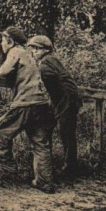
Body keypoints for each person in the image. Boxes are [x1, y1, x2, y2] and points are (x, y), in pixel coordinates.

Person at [0, 26, 56, 193]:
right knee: (40, 144)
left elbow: (3, 72)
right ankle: (45, 182)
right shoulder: (30, 55)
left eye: (3, 40)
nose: (1, 44)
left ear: (10, 41)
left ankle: (8, 170)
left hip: (26, 102)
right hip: (41, 104)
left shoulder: (16, 52)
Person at [27, 35, 82, 176]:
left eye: (37, 49)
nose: (33, 52)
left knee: (66, 133)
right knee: (64, 132)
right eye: (32, 49)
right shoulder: (51, 60)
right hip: (63, 99)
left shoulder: (46, 63)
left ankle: (70, 168)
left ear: (45, 50)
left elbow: (46, 82)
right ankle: (63, 166)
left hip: (66, 100)